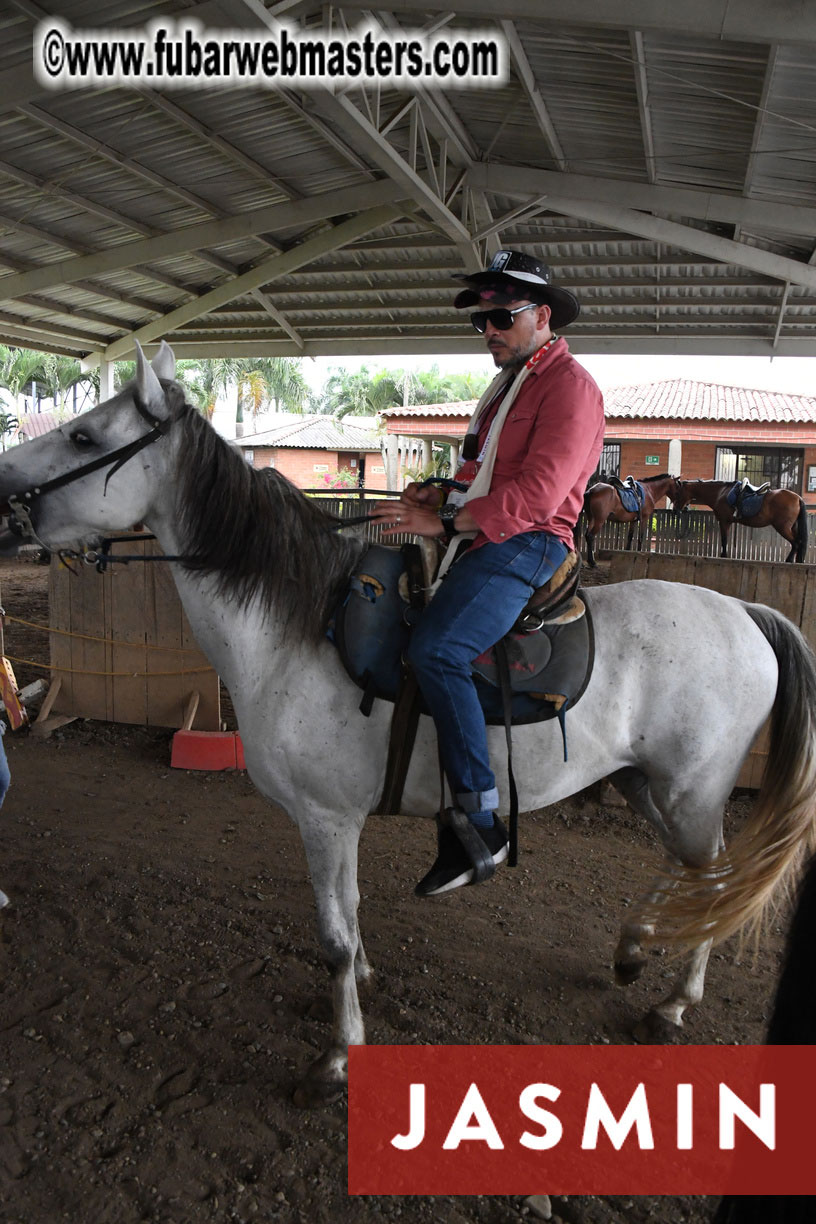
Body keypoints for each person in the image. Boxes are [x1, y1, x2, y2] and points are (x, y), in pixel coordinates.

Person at [372, 250, 605, 897]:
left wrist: (447, 525)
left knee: (439, 649)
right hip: (492, 531)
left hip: (531, 541)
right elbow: (483, 476)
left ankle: (478, 818)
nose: (489, 331)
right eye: (482, 321)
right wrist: (438, 495)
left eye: (501, 316)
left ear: (542, 315)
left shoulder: (570, 388)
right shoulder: (509, 385)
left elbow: (537, 493)